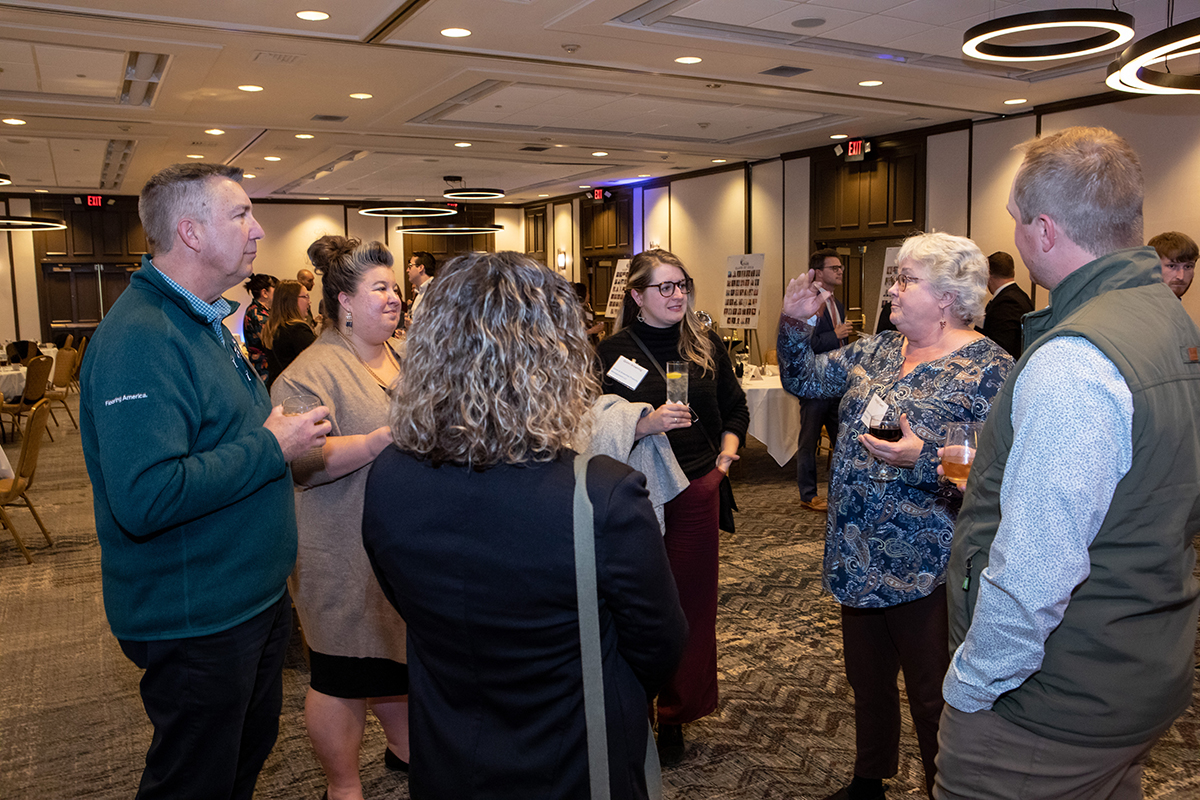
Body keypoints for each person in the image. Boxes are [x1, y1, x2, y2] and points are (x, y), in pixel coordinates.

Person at [362, 251, 687, 800]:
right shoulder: (601, 494)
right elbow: (660, 645)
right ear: (555, 360)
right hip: (575, 758)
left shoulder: (389, 476)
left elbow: (404, 600)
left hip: (448, 755)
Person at [939, 127, 1200, 800]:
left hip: (1050, 699)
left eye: (1017, 221)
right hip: (1140, 664)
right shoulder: (1168, 319)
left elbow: (1037, 568)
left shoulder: (1076, 359)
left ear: (1045, 231)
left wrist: (973, 684)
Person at [79, 162, 330, 800]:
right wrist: (271, 446)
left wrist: (268, 438)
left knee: (238, 762)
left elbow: (216, 439)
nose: (258, 229)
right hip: (196, 616)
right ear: (190, 233)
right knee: (194, 781)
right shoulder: (141, 338)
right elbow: (147, 495)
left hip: (245, 597)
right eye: (241, 214)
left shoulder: (201, 320)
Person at [778, 231, 1013, 800]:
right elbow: (804, 379)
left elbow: (1000, 477)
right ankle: (868, 780)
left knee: (934, 695)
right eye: (897, 279)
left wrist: (924, 458)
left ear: (948, 296)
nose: (893, 290)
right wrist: (794, 323)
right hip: (856, 552)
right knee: (868, 681)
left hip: (930, 563)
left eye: (906, 280)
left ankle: (945, 789)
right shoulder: (878, 349)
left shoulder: (991, 370)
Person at [595, 248, 749, 766]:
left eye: (682, 284)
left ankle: (677, 714)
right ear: (637, 296)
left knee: (689, 606)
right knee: (633, 604)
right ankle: (633, 707)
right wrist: (644, 423)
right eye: (665, 287)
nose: (678, 294)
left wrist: (725, 459)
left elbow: (734, 407)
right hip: (632, 492)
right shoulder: (610, 352)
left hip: (696, 488)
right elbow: (588, 422)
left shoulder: (704, 344)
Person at [271, 236, 408, 800]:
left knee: (396, 661)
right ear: (344, 301)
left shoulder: (403, 355)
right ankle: (342, 787)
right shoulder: (308, 373)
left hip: (402, 545)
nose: (394, 296)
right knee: (343, 674)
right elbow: (301, 462)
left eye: (395, 286)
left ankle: (404, 750)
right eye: (380, 288)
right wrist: (377, 441)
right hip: (340, 549)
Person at [796, 248, 852, 512]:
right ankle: (808, 494)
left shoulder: (836, 303)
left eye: (841, 268)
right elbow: (804, 344)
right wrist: (835, 335)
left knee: (843, 439)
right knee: (809, 441)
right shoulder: (807, 303)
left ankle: (842, 493)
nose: (840, 271)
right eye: (834, 268)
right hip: (814, 383)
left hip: (836, 382)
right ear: (818, 272)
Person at [979, 251, 1034, 358]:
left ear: (988, 274)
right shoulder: (1021, 296)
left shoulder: (1007, 302)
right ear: (1013, 272)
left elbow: (1001, 347)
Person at [262, 279, 315, 387]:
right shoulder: (297, 329)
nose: (309, 302)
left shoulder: (271, 328)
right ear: (291, 300)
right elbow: (318, 362)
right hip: (295, 390)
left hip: (276, 387)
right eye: (305, 296)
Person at [242, 272, 277, 380]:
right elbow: (271, 342)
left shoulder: (262, 311)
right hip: (264, 369)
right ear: (265, 293)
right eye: (276, 289)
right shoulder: (257, 314)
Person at [1147, 230, 1196, 299]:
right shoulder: (1137, 303)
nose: (1181, 277)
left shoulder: (1173, 304)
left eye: (1187, 267)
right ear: (1153, 267)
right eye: (1172, 266)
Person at [404, 250, 436, 323]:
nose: (407, 270)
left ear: (421, 268)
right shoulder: (418, 292)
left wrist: (412, 327)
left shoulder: (436, 290)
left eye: (410, 266)